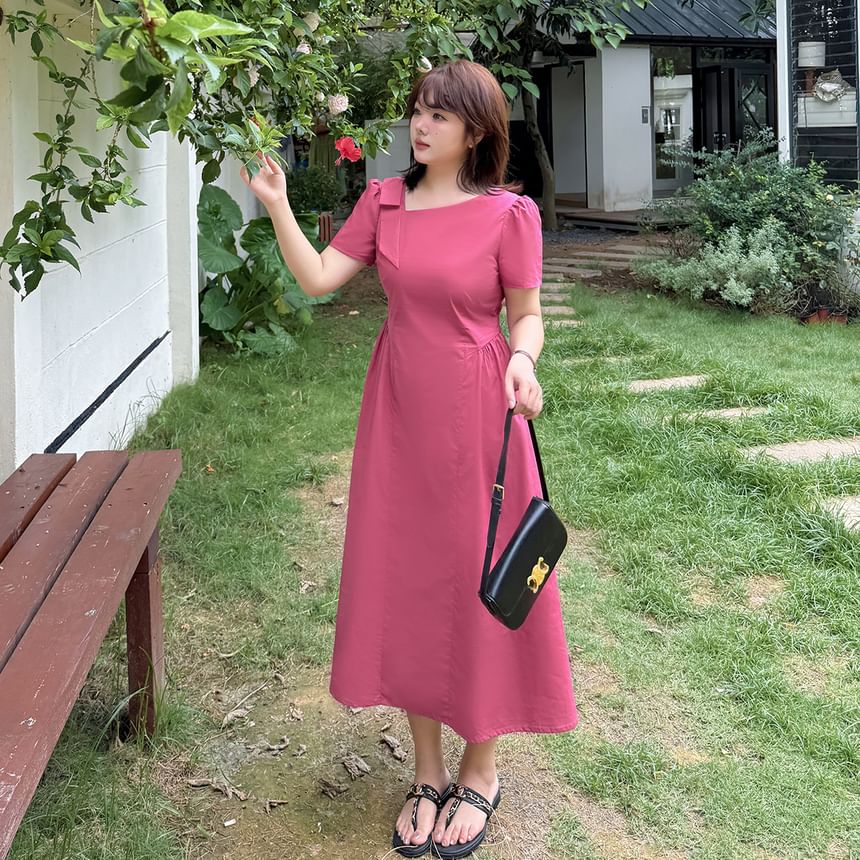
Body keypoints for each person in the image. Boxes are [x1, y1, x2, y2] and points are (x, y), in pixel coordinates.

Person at [241, 58, 578, 860]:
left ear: (477, 131)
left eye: (439, 115)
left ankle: (481, 768)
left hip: (481, 417)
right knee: (410, 580)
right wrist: (278, 205)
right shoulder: (384, 201)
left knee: (481, 580)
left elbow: (527, 316)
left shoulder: (509, 214)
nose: (419, 126)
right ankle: (427, 770)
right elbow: (319, 279)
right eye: (417, 111)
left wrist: (523, 361)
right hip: (398, 416)